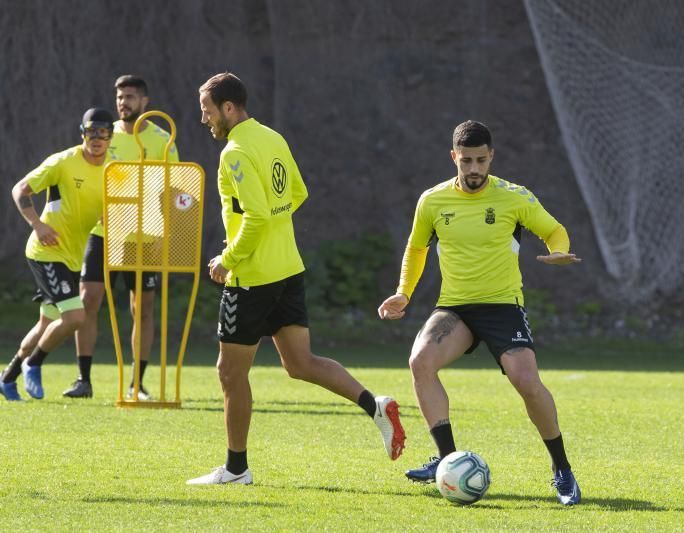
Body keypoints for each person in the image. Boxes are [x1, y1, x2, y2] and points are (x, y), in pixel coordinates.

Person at [186, 72, 405, 485]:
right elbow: (298, 193)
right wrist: (270, 236)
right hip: (288, 268)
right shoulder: (273, 138)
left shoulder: (233, 152)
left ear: (228, 108)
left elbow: (254, 215)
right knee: (300, 364)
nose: (204, 119)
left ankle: (236, 469)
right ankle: (374, 405)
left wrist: (229, 258)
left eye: (207, 110)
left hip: (252, 276)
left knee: (230, 374)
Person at [377, 120, 583, 505]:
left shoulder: (513, 197)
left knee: (526, 381)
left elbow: (554, 230)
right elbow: (416, 249)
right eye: (466, 160)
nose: (474, 169)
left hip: (502, 305)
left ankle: (562, 470)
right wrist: (403, 293)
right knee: (420, 361)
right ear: (454, 157)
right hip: (455, 308)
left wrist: (558, 250)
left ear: (491, 158)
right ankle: (446, 460)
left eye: (481, 161)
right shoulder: (433, 200)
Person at [63, 75, 180, 400]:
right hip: (103, 233)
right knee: (88, 301)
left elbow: (174, 189)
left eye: (130, 96)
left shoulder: (161, 139)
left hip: (144, 236)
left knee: (141, 309)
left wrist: (165, 231)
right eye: (119, 97)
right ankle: (83, 379)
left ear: (144, 101)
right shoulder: (104, 134)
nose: (123, 102)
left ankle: (136, 385)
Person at [0, 108, 114, 401]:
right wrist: (37, 225)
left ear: (111, 137)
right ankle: (33, 363)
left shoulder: (114, 170)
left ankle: (7, 378)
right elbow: (20, 190)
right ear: (82, 133)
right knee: (76, 316)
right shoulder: (63, 162)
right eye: (92, 132)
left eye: (103, 133)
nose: (97, 138)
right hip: (46, 252)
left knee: (46, 323)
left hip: (73, 257)